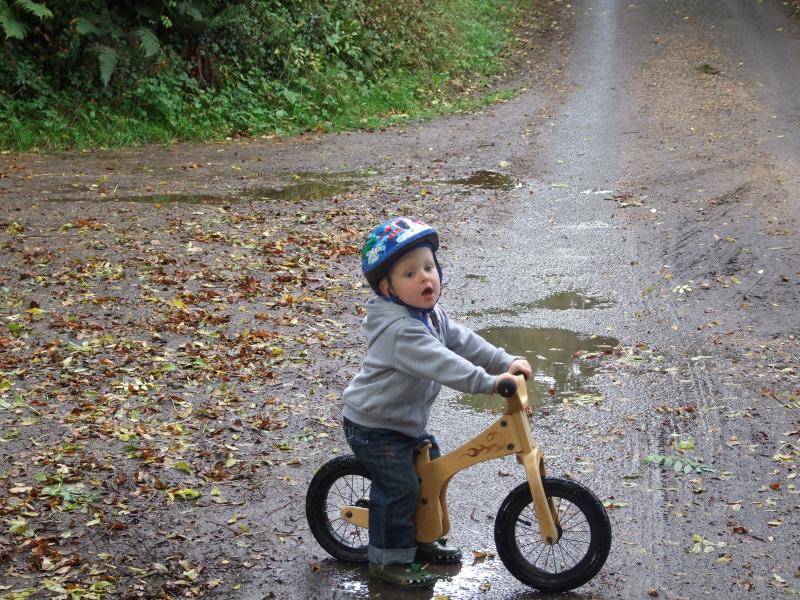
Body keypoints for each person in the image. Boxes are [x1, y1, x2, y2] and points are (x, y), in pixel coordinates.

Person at [342, 216, 532, 588]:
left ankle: (420, 536)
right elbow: (446, 364)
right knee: (401, 487)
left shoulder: (429, 315)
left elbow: (462, 341)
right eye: (409, 274)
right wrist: (491, 383)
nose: (425, 277)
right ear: (387, 287)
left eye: (429, 267)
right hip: (374, 426)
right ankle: (387, 558)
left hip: (402, 420)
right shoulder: (402, 331)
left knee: (431, 472)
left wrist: (503, 360)